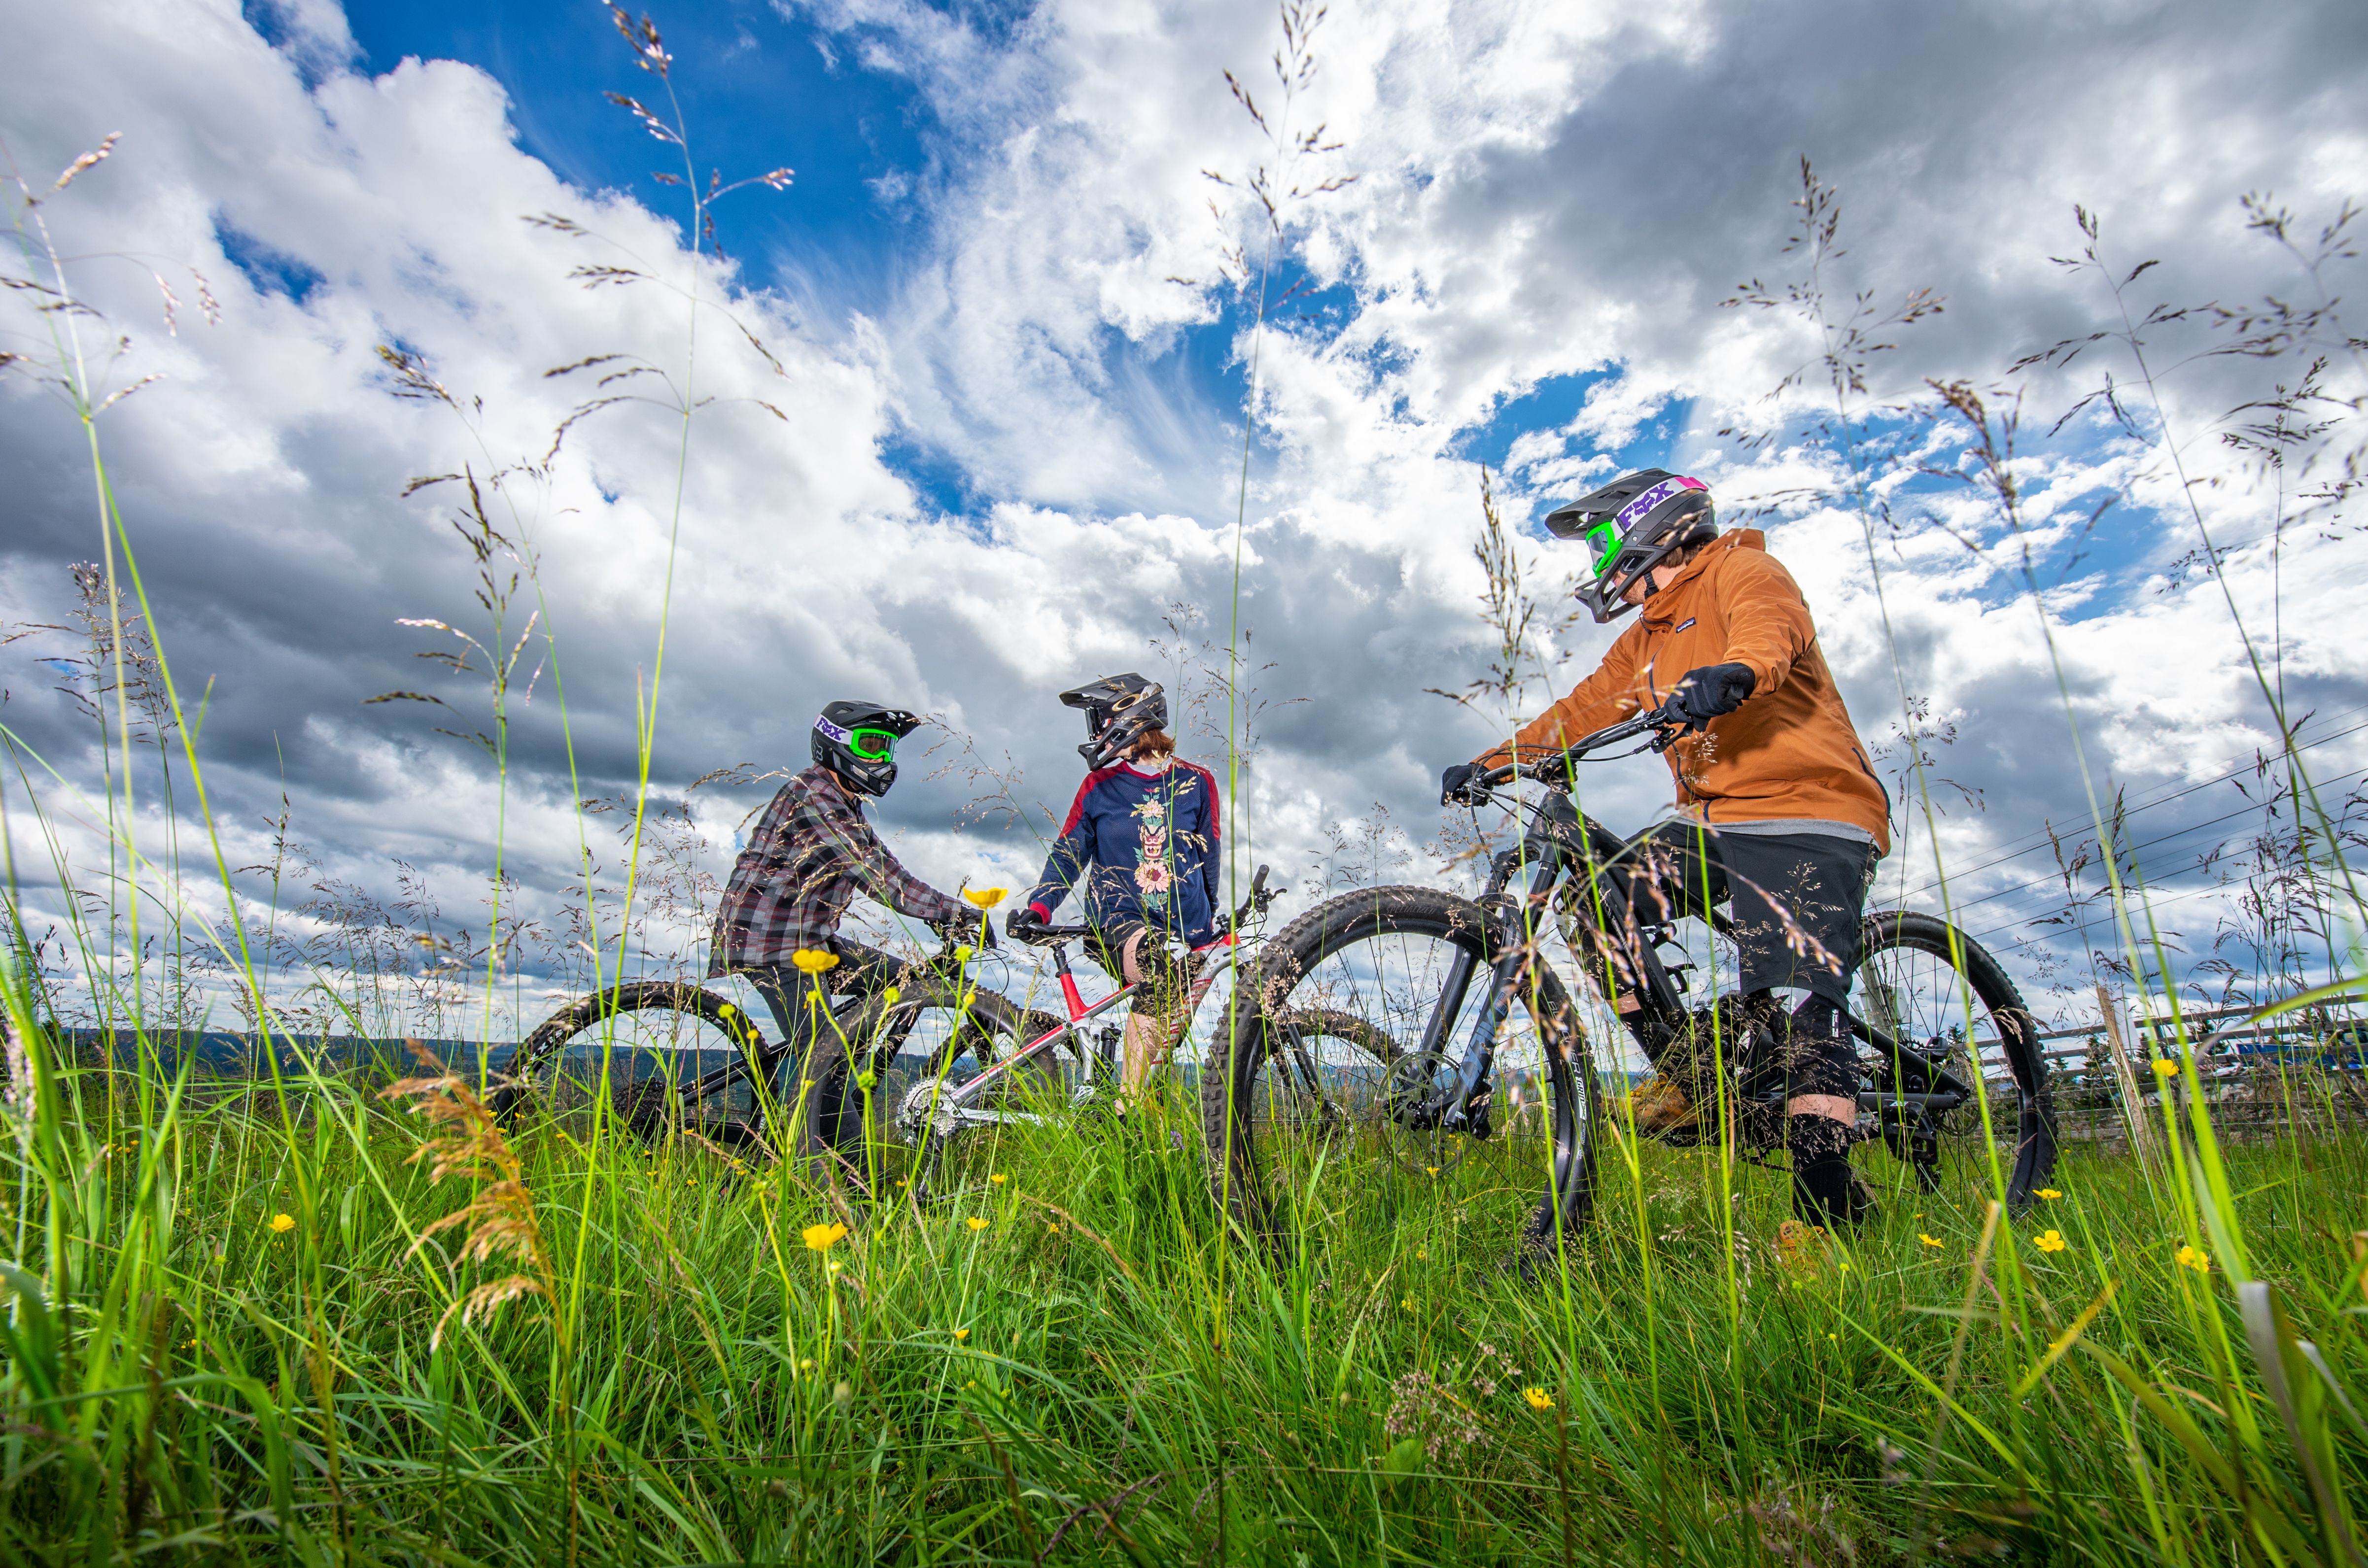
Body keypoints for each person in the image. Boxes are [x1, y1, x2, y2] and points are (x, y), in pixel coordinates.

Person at [1439, 470, 1891, 1229]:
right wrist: (1496, 760)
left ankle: (1826, 1208)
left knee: (1800, 995)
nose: (1599, 561)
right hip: (1716, 825)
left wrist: (1737, 673)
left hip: (1811, 812)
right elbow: (1580, 710)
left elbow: (1768, 630)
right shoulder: (1644, 637)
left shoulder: (1743, 569)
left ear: (1655, 526)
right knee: (1597, 895)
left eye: (1603, 541)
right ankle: (1687, 1073)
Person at [708, 701, 976, 1127]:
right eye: (871, 746)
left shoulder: (842, 799)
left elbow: (886, 864)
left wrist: (944, 910)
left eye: (887, 750)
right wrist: (952, 912)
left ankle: (845, 1049)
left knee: (904, 981)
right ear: (832, 744)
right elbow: (873, 873)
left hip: (809, 939)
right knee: (827, 1065)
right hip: (773, 945)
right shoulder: (814, 793)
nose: (882, 760)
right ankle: (852, 1180)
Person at [1008, 674, 1222, 1105]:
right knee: (1160, 978)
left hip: (1186, 933)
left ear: (1130, 716)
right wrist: (1040, 907)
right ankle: (1127, 1114)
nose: (1095, 733)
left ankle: (1145, 1129)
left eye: (1100, 720)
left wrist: (1207, 922)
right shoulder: (1098, 788)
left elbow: (1209, 855)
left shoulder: (1197, 782)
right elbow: (1068, 854)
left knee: (1165, 1041)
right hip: (1119, 922)